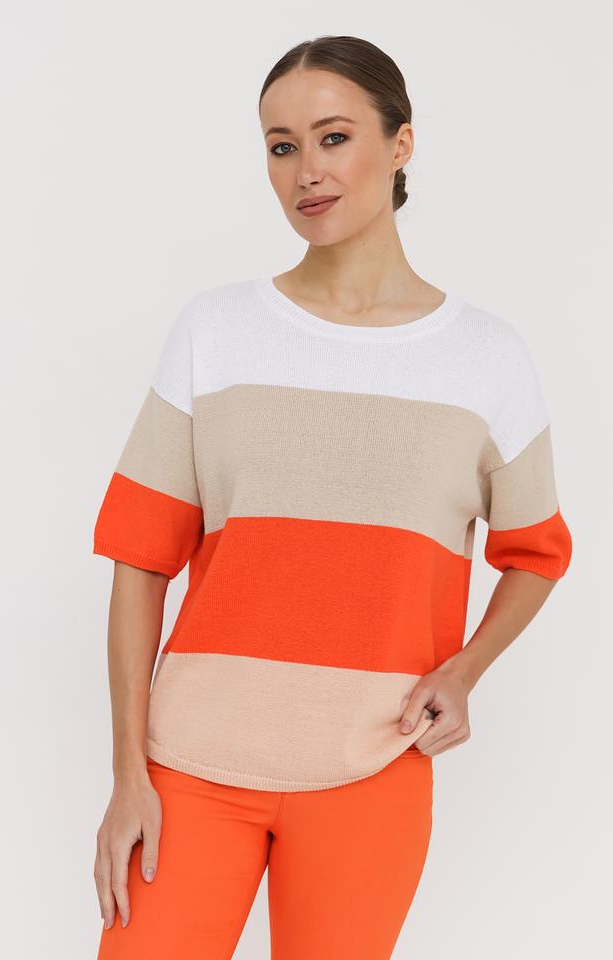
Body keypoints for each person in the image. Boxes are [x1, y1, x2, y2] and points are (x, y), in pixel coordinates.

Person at [91, 34, 573, 959]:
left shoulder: (486, 359)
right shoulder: (215, 331)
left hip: (373, 762)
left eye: (333, 137)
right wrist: (126, 777)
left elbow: (537, 551)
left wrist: (464, 672)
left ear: (400, 144)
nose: (306, 171)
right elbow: (139, 556)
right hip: (189, 766)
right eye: (281, 146)